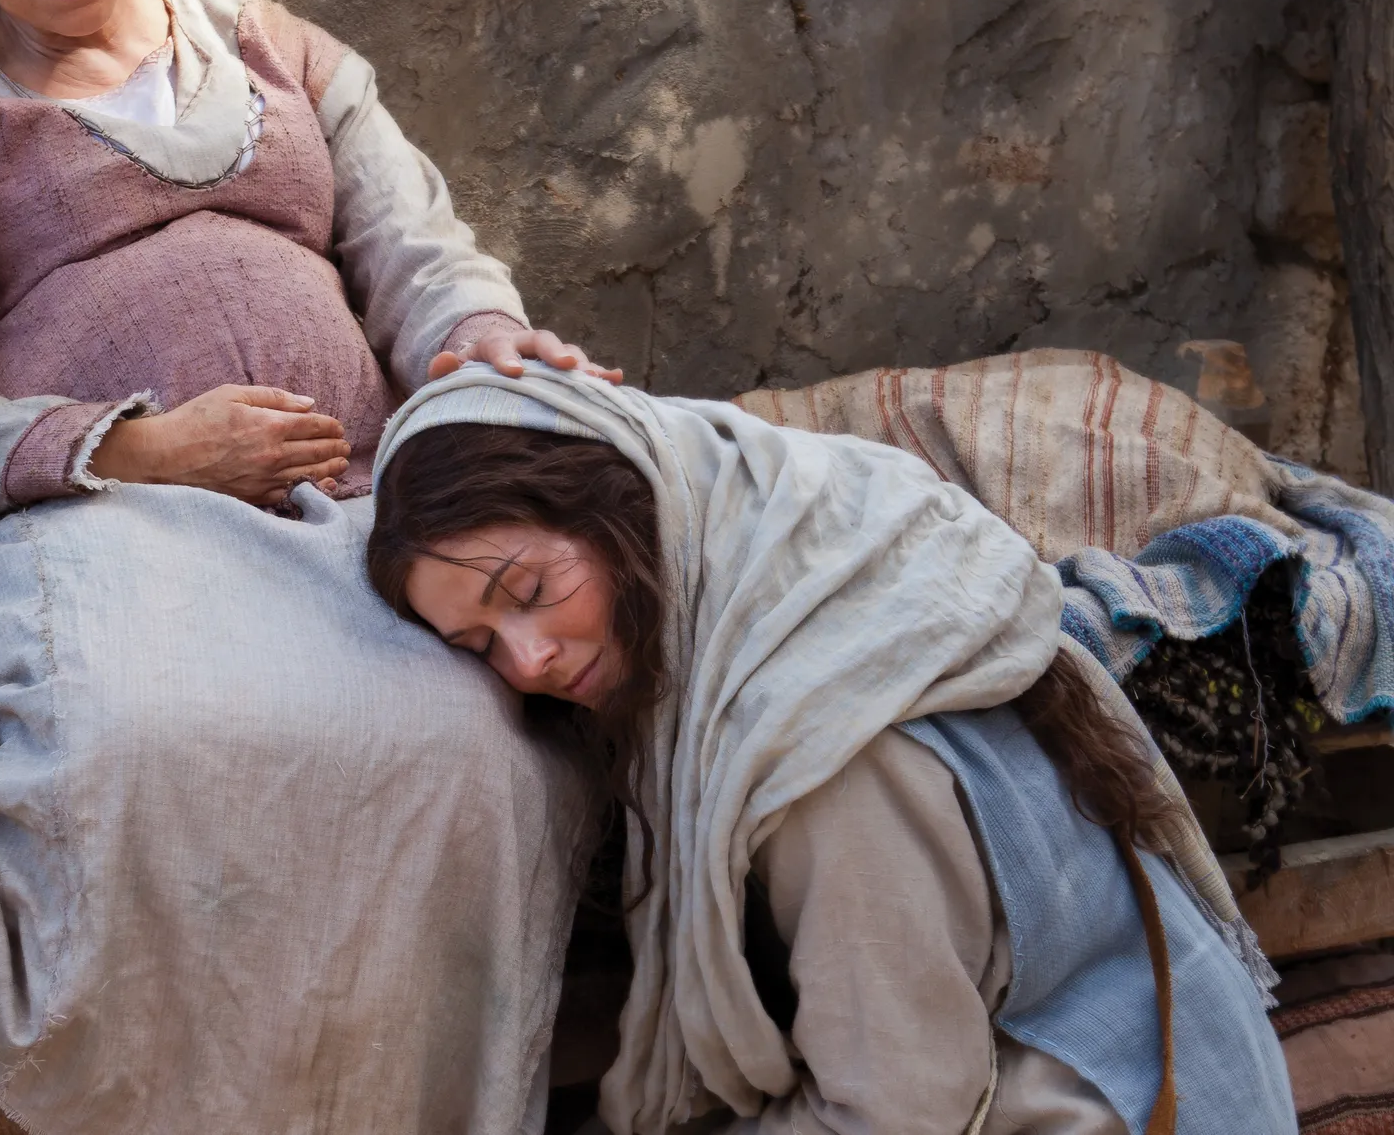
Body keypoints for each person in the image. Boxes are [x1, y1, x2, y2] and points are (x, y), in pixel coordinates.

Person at [0, 0, 613, 1134]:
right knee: (157, 743)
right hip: (101, 529)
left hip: (350, 512)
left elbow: (417, 251)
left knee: (479, 745)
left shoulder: (274, 49)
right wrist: (138, 447)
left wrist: (477, 333)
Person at [368, 363, 1297, 1135]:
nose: (527, 659)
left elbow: (899, 1113)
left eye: (528, 589)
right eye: (480, 645)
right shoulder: (768, 579)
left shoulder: (827, 759)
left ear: (622, 508)